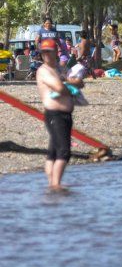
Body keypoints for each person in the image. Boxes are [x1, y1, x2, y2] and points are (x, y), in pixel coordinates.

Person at [36, 39, 80, 189]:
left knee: (53, 152)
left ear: (56, 52)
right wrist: (72, 87)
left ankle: (52, 183)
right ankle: (56, 185)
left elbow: (77, 82)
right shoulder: (43, 70)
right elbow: (59, 88)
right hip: (55, 115)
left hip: (65, 115)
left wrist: (75, 82)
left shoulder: (60, 69)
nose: (46, 55)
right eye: (44, 52)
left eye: (49, 52)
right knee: (64, 152)